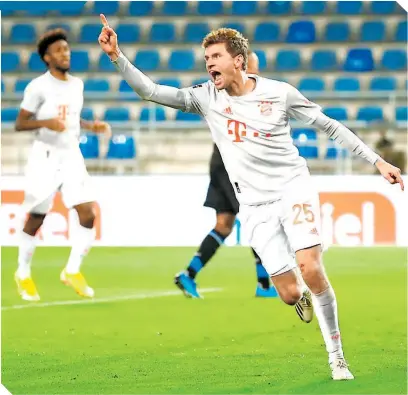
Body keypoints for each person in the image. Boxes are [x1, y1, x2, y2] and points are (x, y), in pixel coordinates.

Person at [98, 16, 404, 380]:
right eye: (206, 57)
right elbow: (150, 91)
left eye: (215, 56)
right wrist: (117, 56)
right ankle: (302, 290)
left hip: (293, 188)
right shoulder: (205, 97)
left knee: (310, 266)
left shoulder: (279, 93)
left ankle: (337, 357)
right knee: (289, 294)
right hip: (255, 206)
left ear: (238, 60)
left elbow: (330, 127)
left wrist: (377, 160)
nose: (209, 63)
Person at [14, 29, 111, 301]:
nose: (64, 54)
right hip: (45, 157)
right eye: (58, 50)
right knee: (37, 218)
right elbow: (20, 123)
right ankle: (22, 273)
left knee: (88, 213)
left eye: (66, 49)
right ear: (47, 57)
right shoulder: (37, 87)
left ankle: (72, 271)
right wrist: (45, 123)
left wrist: (92, 126)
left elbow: (71, 119)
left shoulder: (76, 85)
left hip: (71, 155)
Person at [175, 51, 277, 299]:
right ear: (241, 66)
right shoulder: (234, 94)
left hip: (222, 161)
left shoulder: (242, 94)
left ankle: (189, 274)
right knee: (255, 219)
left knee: (224, 225)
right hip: (232, 164)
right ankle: (264, 284)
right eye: (254, 67)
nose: (257, 72)